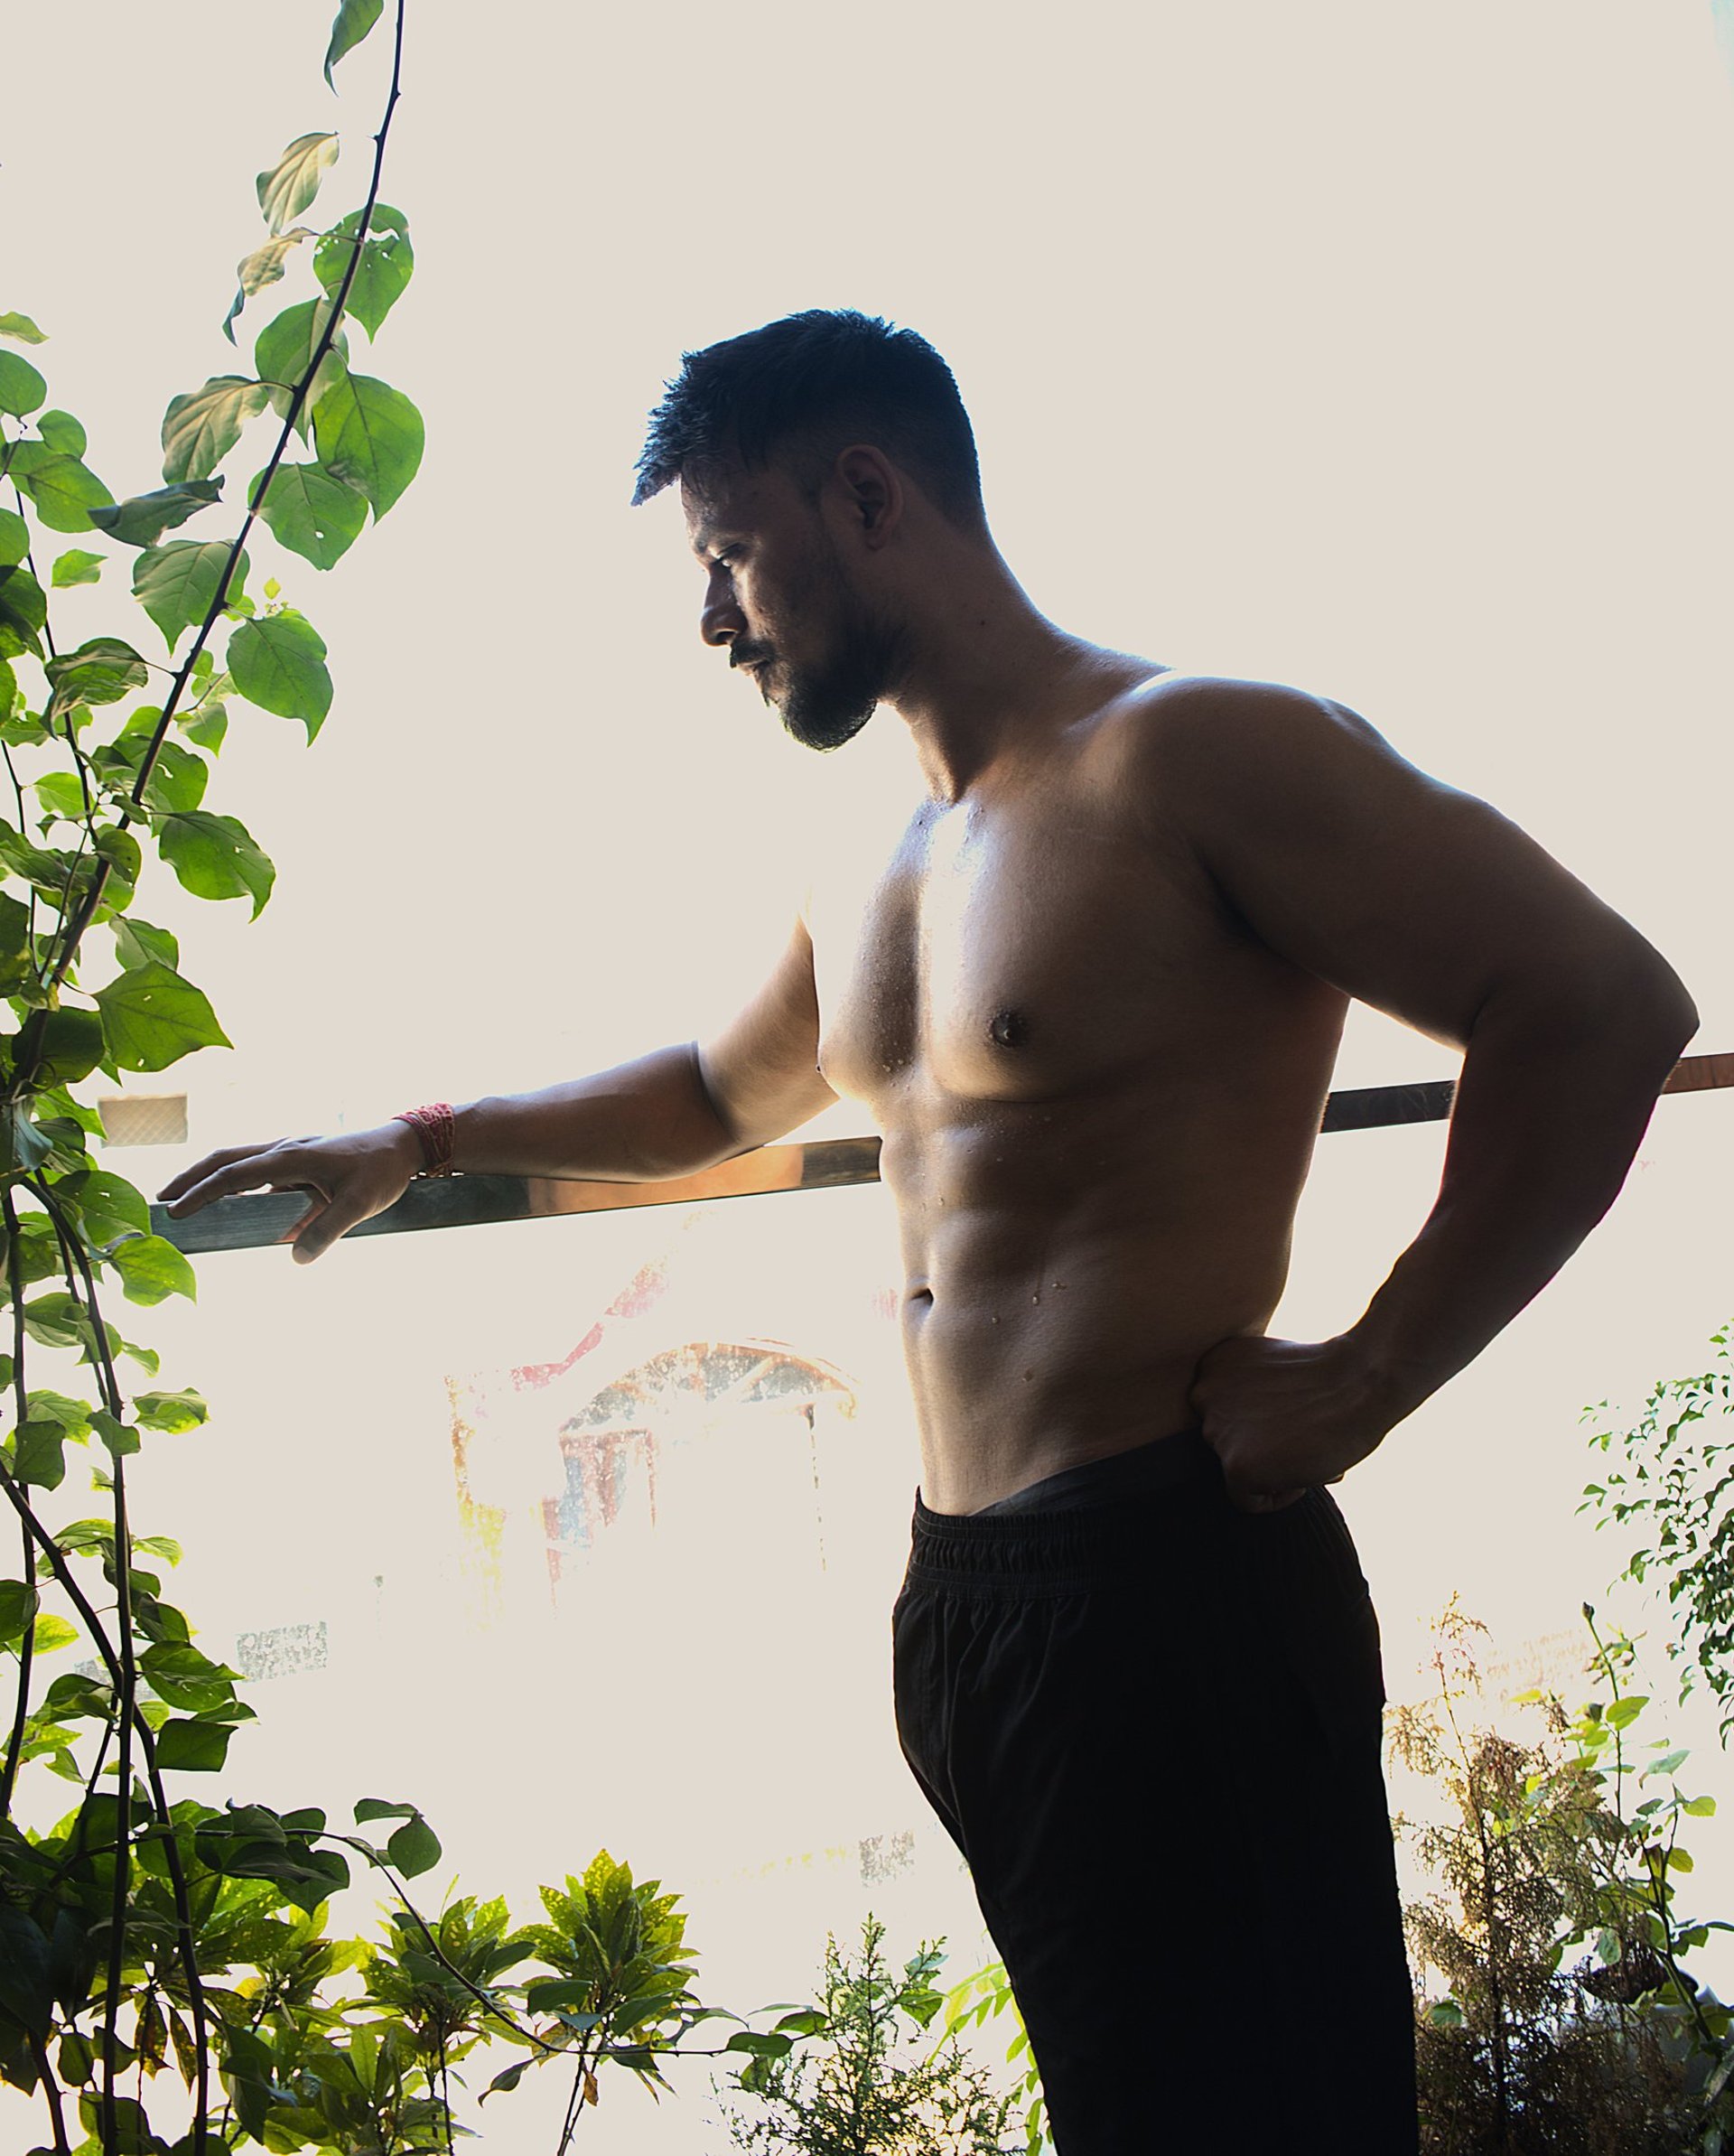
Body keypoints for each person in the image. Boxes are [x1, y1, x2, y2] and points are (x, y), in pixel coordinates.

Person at [162, 310, 1698, 2152]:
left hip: (1174, 1587)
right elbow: (717, 1098)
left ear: (867, 496)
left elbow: (1599, 1005)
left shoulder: (1193, 759)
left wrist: (1372, 1374)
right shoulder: (874, 852)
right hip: (975, 1609)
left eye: (730, 555)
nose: (713, 620)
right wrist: (422, 1136)